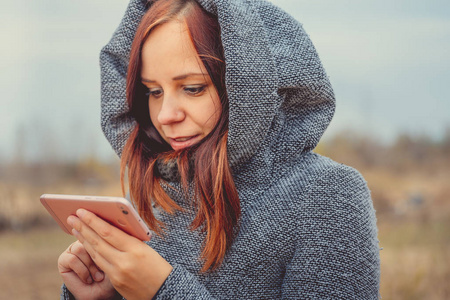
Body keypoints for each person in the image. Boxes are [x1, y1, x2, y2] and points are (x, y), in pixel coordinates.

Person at [58, 0, 380, 299]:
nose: (166, 115)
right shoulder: (154, 202)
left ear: (246, 86)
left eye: (193, 88)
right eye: (153, 91)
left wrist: (162, 291)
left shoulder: (327, 195)